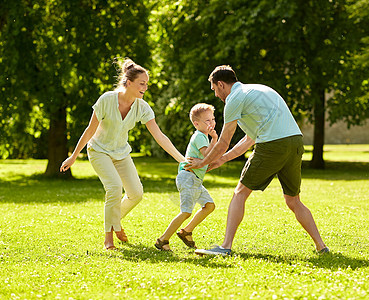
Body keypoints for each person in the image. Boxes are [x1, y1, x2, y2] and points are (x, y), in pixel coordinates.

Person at [186, 65, 329, 256]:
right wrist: (223, 160)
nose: (216, 95)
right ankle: (321, 246)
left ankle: (225, 247)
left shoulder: (234, 99)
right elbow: (249, 139)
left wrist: (201, 163)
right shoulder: (259, 90)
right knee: (293, 200)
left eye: (214, 89)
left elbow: (224, 141)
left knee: (240, 193)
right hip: (295, 142)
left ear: (221, 84)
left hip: (272, 146)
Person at [60, 58, 185, 250]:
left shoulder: (142, 107)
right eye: (141, 83)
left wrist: (182, 160)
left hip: (121, 153)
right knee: (115, 187)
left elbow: (160, 136)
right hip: (99, 150)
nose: (145, 87)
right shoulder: (107, 100)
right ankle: (108, 239)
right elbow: (90, 130)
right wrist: (74, 155)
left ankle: (115, 221)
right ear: (128, 82)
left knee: (136, 193)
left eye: (146, 84)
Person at [155, 103, 217, 251]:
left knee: (209, 206)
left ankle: (186, 231)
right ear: (196, 124)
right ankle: (163, 240)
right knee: (186, 212)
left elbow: (208, 158)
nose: (212, 123)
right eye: (207, 121)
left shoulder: (204, 137)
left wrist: (213, 140)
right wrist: (215, 140)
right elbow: (209, 156)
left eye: (213, 119)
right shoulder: (200, 137)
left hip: (194, 179)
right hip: (189, 178)